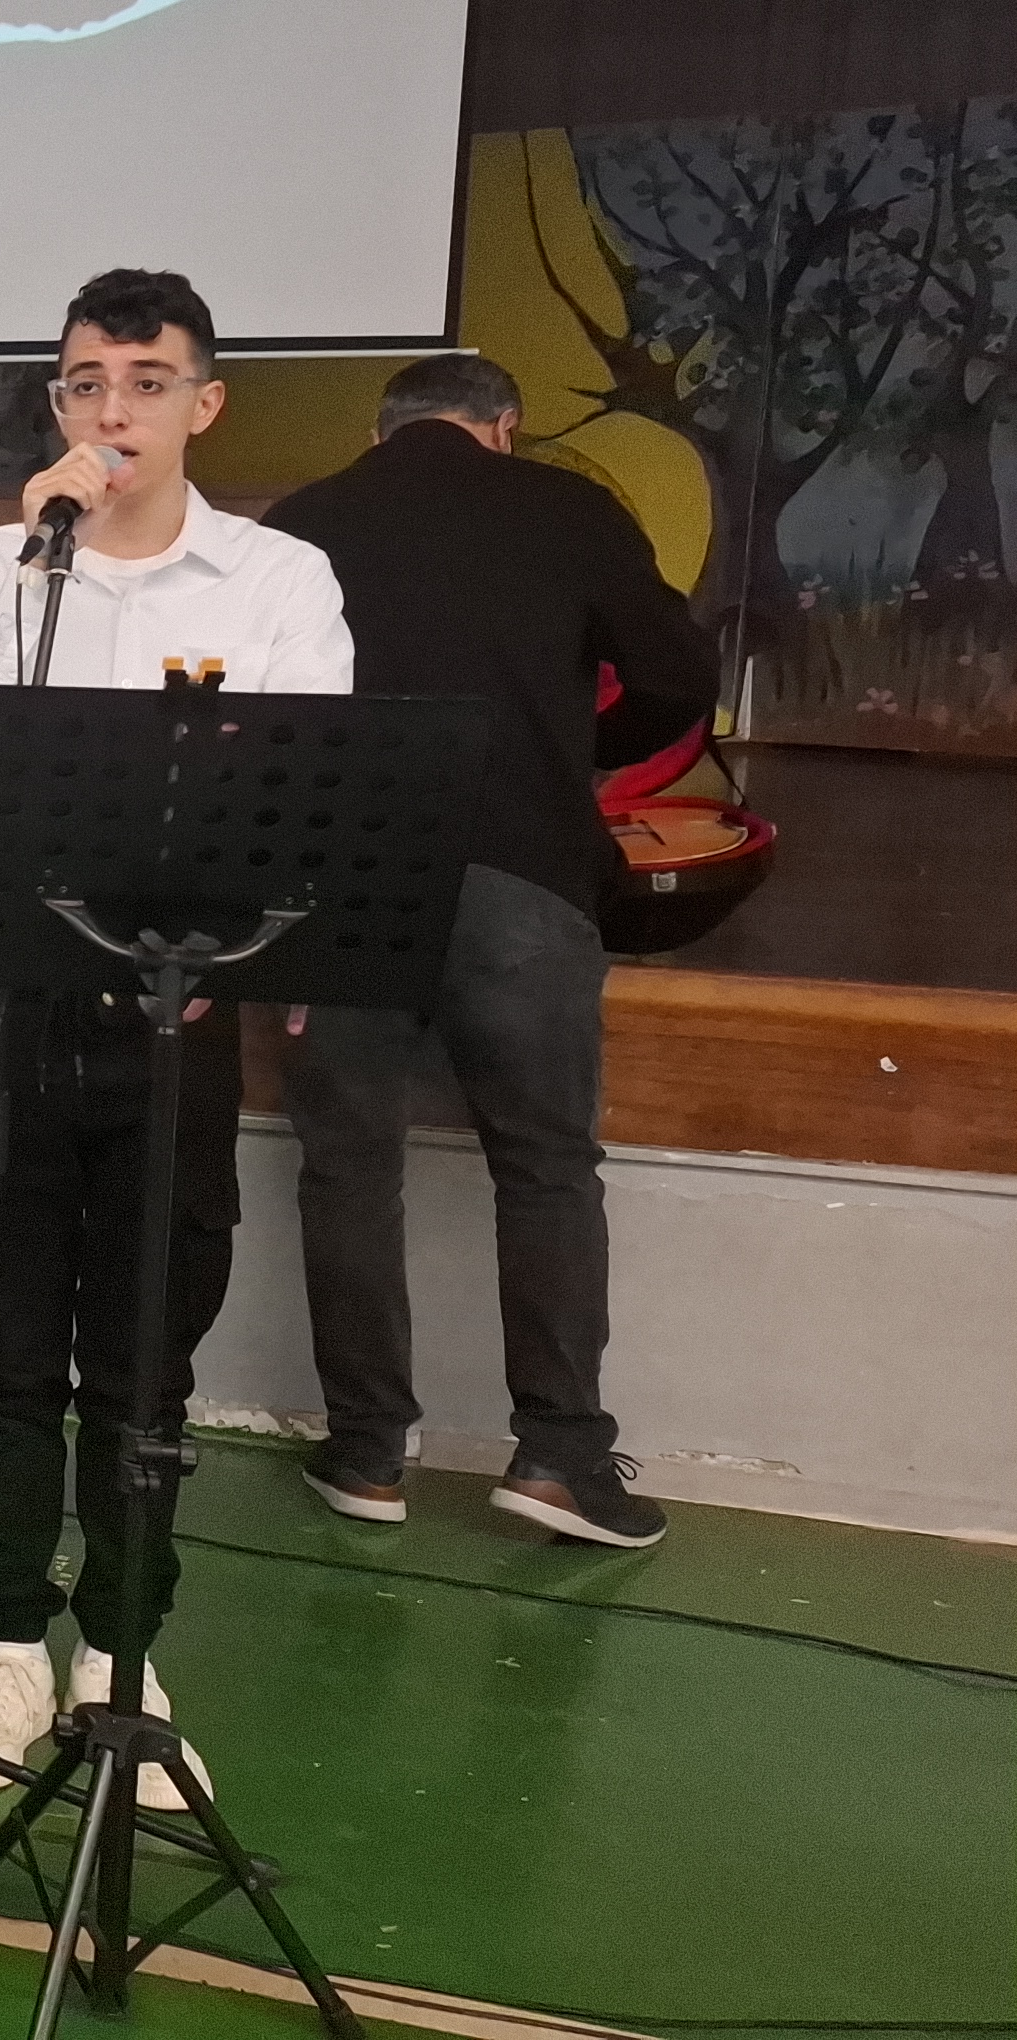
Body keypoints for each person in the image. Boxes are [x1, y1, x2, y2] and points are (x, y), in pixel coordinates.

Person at [0, 269, 353, 1805]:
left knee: (146, 1354)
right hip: (8, 1012)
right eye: (86, 383)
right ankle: (1, 1647)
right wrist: (46, 558)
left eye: (147, 382)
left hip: (174, 1015)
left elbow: (305, 795)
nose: (113, 411)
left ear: (203, 404)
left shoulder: (275, 581)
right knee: (8, 1344)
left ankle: (120, 1654)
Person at [266, 353, 713, 1549]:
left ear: (382, 430)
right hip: (520, 863)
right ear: (503, 426)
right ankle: (560, 1455)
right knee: (548, 1165)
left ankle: (368, 1454)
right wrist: (575, 744)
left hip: (340, 882)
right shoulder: (568, 507)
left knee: (350, 1165)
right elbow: (678, 676)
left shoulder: (301, 521)